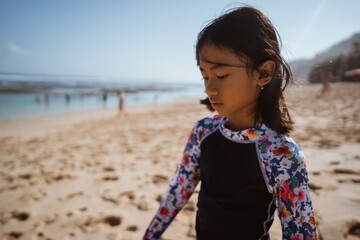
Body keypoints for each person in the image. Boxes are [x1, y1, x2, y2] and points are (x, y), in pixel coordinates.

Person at [143, 6, 317, 240]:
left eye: (221, 75)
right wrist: (150, 235)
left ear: (263, 73)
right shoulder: (202, 132)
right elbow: (177, 192)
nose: (210, 88)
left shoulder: (282, 155)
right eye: (205, 75)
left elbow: (300, 233)